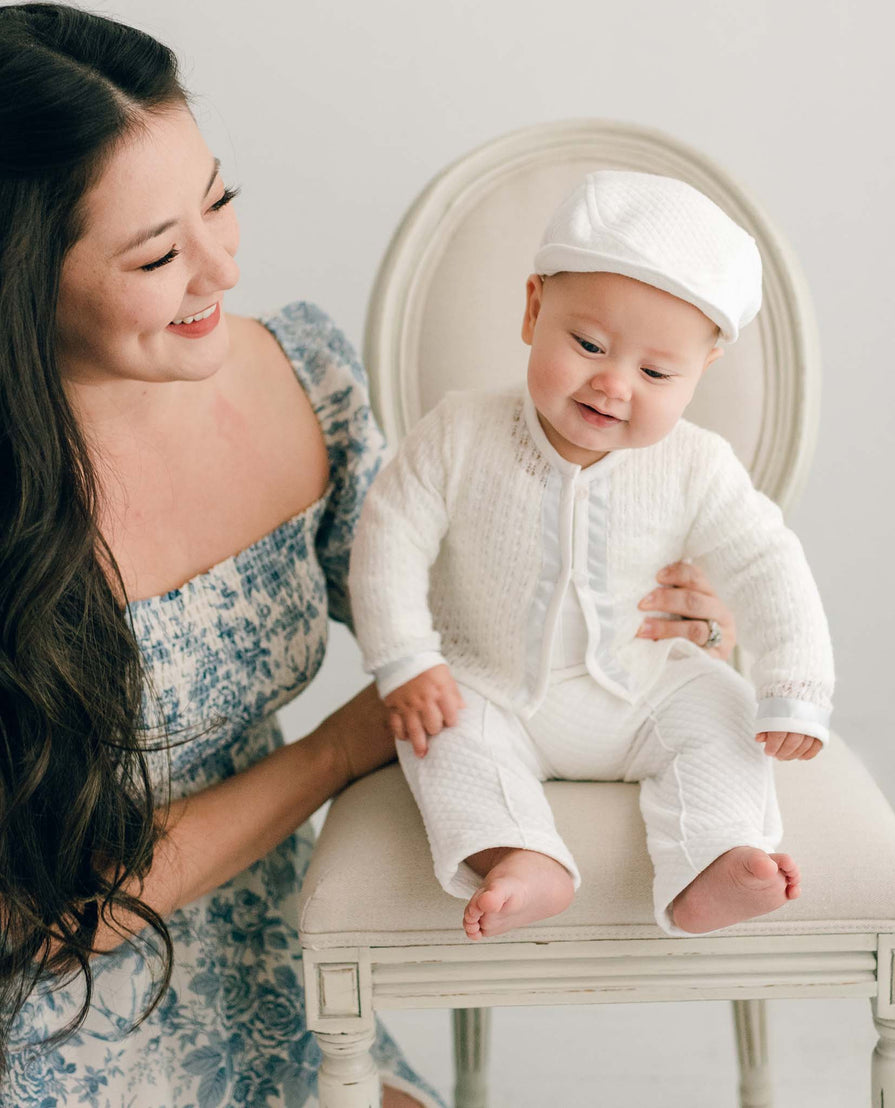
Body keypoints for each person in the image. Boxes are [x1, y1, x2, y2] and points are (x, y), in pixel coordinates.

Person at [0, 8, 740, 1103]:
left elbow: (468, 615)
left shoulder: (302, 374)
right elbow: (36, 923)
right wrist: (334, 752)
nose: (218, 271)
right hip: (54, 1014)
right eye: (157, 253)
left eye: (219, 203)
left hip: (276, 948)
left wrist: (658, 620)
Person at [351, 170, 835, 943]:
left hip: (641, 692)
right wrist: (407, 660)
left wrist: (794, 686)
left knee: (723, 717)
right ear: (534, 308)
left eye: (655, 373)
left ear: (699, 373)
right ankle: (523, 855)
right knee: (442, 738)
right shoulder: (459, 433)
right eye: (588, 344)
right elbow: (389, 537)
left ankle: (714, 860)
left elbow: (766, 563)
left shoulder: (696, 465)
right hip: (491, 687)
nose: (613, 384)